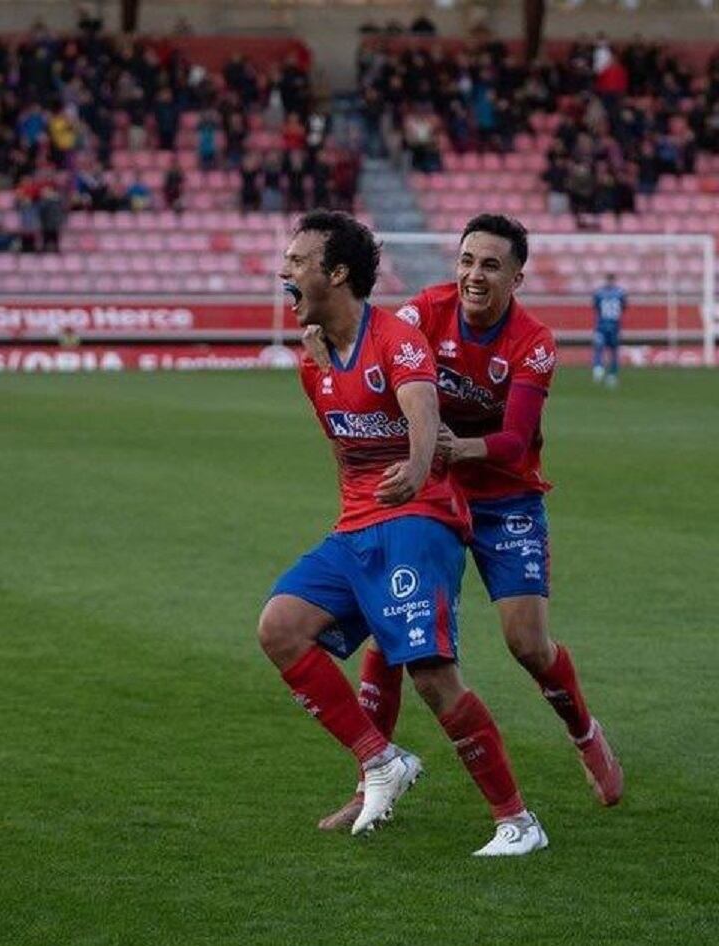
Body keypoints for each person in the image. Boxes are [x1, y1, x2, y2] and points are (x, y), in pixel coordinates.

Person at [317, 214, 623, 833]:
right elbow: (371, 345)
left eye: (489, 265)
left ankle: (584, 732)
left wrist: (457, 447)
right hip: (434, 491)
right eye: (465, 261)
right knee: (392, 635)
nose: (473, 275)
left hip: (507, 498)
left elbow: (515, 440)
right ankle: (370, 782)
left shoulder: (533, 341)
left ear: (516, 275)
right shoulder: (423, 313)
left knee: (527, 644)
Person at [262, 211, 547, 856]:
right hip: (359, 526)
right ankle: (380, 759)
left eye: (297, 260)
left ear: (336, 274)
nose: (284, 271)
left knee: (430, 675)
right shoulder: (313, 361)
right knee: (279, 628)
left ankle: (518, 822)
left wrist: (417, 467)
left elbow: (424, 417)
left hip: (420, 518)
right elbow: (346, 454)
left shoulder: (398, 340)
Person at [591, 273, 627, 387]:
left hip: (609, 326)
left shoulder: (599, 293)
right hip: (606, 326)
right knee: (602, 348)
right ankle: (601, 370)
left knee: (612, 351)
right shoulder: (620, 293)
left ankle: (607, 372)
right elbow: (623, 307)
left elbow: (596, 307)